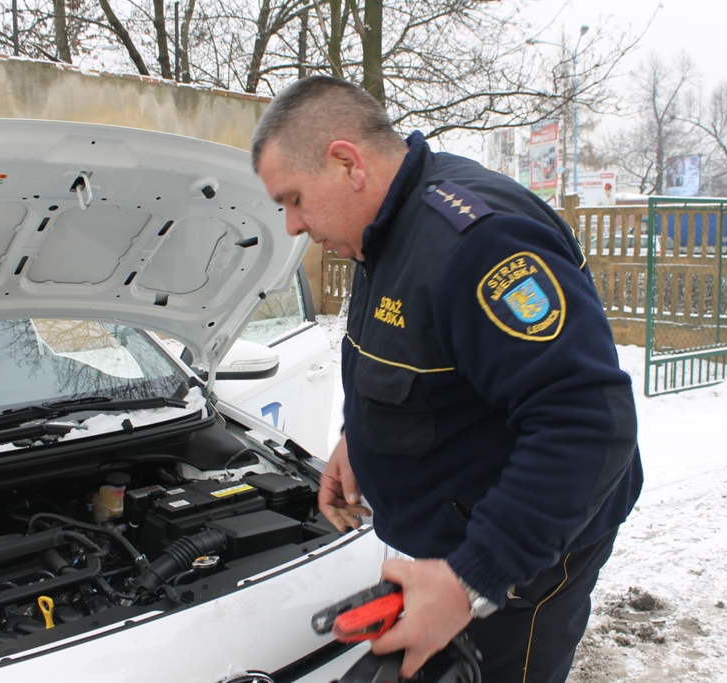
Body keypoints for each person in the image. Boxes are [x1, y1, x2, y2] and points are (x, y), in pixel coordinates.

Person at [252, 76, 643, 683]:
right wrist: (365, 435)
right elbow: (419, 356)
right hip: (463, 543)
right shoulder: (382, 232)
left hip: (522, 564)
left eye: (294, 199)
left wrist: (470, 580)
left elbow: (588, 421)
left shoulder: (477, 242)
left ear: (346, 163)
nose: (293, 225)